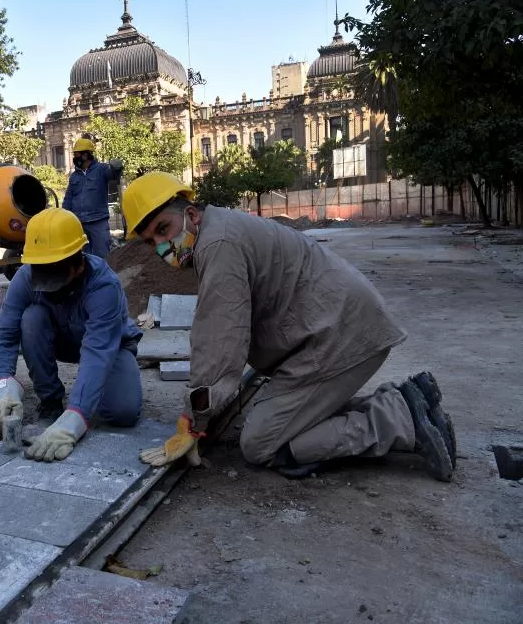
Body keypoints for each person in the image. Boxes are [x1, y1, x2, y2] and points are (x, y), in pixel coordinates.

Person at [120, 171, 456, 481]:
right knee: (284, 421)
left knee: (260, 444)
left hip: (338, 335)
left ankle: (398, 418)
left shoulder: (217, 245)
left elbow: (219, 339)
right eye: (151, 242)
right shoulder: (218, 231)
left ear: (191, 215)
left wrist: (191, 423)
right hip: (332, 328)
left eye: (163, 230)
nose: (162, 246)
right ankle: (408, 400)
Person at [0, 207, 143, 462]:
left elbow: (97, 353)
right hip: (60, 339)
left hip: (109, 346)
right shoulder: (26, 277)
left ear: (79, 264)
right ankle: (50, 401)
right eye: (42, 274)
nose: (49, 285)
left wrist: (75, 419)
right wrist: (3, 384)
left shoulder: (104, 286)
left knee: (122, 413)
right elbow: (4, 333)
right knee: (31, 318)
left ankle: (77, 406)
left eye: (56, 276)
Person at [62, 138, 123, 259]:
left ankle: (104, 278)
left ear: (85, 155)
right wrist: (64, 215)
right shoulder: (74, 176)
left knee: (102, 256)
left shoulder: (102, 169)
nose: (74, 157)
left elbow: (114, 176)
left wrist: (117, 168)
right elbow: (68, 198)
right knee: (83, 258)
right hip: (79, 224)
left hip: (98, 221)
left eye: (76, 154)